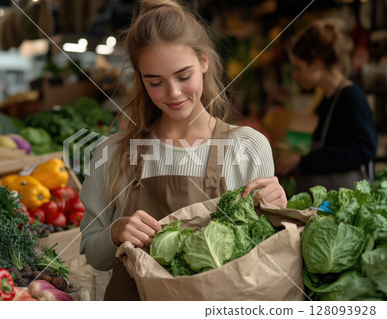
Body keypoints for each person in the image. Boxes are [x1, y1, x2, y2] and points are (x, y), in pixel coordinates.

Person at [79, 0, 287, 301]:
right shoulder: (111, 154)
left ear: (203, 61)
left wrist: (278, 214)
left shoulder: (248, 147)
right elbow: (94, 256)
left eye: (183, 76)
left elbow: (266, 255)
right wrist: (115, 233)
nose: (173, 93)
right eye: (156, 82)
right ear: (140, 78)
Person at [276, 20, 377, 193]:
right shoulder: (327, 98)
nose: (295, 75)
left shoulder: (351, 97)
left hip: (346, 203)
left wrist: (303, 161)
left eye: (298, 68)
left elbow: (363, 151)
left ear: (316, 65)